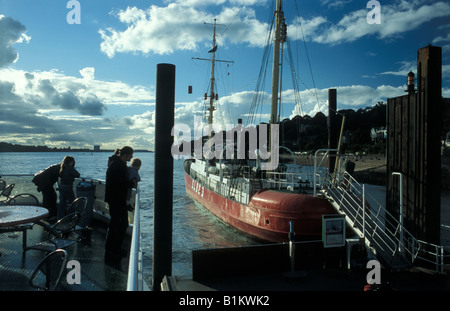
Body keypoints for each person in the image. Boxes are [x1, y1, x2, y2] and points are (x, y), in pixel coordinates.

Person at [104, 146, 134, 265]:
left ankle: (113, 248)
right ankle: (113, 249)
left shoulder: (116, 164)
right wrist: (130, 183)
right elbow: (118, 182)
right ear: (126, 155)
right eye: (131, 155)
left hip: (116, 199)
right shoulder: (117, 166)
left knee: (118, 223)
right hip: (116, 199)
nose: (132, 157)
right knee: (118, 224)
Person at [57, 156, 80, 220]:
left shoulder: (62, 168)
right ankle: (72, 217)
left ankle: (59, 218)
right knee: (73, 203)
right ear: (71, 162)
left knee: (62, 203)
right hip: (67, 187)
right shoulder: (70, 168)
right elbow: (78, 175)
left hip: (61, 186)